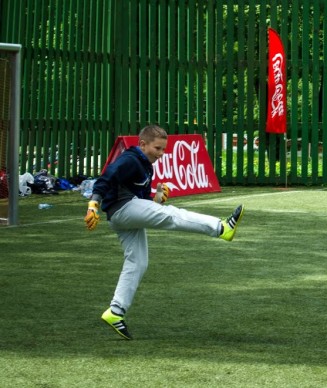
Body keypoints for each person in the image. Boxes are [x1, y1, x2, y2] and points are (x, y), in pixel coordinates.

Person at [84, 124, 244, 340]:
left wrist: (157, 197)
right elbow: (106, 177)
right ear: (142, 144)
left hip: (123, 214)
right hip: (123, 209)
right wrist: (93, 204)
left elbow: (144, 201)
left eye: (163, 149)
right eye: (158, 148)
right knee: (171, 215)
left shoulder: (146, 165)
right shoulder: (130, 159)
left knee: (138, 262)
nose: (161, 154)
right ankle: (221, 228)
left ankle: (115, 312)